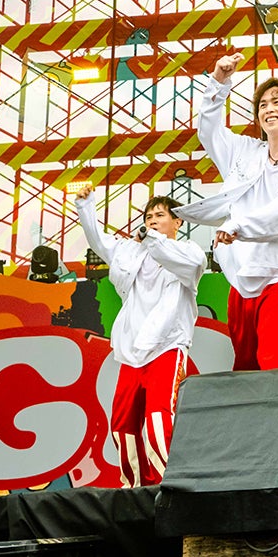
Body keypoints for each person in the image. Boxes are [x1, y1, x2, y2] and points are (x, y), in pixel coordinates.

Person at [179, 54, 278, 371]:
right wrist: (219, 82)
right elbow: (208, 131)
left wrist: (240, 226)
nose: (268, 109)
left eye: (277, 102)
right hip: (242, 280)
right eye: (262, 105)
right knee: (245, 369)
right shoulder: (244, 152)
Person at [73, 189, 204, 487]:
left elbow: (181, 259)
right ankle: (133, 488)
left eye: (160, 215)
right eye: (148, 217)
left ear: (177, 222)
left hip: (167, 346)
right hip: (132, 351)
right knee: (122, 425)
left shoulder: (188, 252)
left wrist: (150, 238)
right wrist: (85, 206)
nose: (152, 220)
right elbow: (98, 241)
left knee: (159, 420)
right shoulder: (130, 252)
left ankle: (166, 487)